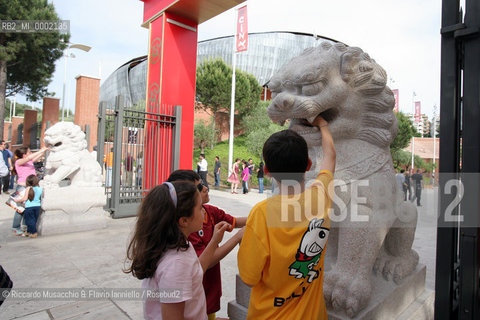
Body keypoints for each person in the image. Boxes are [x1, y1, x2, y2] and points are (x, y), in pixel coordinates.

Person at [238, 115, 335, 319]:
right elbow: (330, 156)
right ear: (308, 164)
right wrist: (322, 124)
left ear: (266, 171)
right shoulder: (320, 196)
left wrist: (244, 237)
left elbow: (249, 278)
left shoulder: (261, 214)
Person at [125, 180, 229, 320]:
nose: (204, 212)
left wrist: (214, 241)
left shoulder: (178, 245)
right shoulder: (176, 265)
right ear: (184, 221)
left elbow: (197, 270)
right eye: (200, 208)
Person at [168, 170, 246, 319]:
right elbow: (203, 264)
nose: (205, 188)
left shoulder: (209, 211)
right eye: (198, 188)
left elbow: (234, 221)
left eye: (202, 184)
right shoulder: (178, 251)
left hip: (209, 292)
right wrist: (236, 238)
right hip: (196, 296)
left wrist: (261, 216)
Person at [12, 146, 48, 236]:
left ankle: (25, 226)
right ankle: (16, 227)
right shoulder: (19, 162)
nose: (31, 153)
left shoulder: (29, 161)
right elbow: (30, 158)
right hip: (22, 187)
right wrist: (41, 150)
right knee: (20, 209)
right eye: (29, 152)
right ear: (24, 155)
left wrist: (45, 149)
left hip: (32, 187)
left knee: (28, 207)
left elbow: (39, 156)